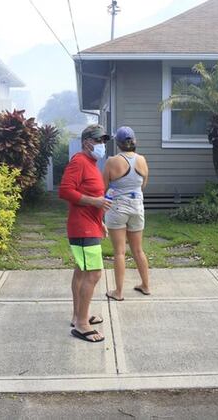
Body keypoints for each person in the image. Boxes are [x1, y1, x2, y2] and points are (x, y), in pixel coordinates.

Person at [58, 124, 112, 343]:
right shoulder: (79, 161)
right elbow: (65, 191)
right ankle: (81, 324)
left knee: (82, 270)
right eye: (98, 141)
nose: (102, 145)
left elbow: (91, 194)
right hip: (82, 227)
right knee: (94, 273)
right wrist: (95, 201)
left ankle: (78, 315)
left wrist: (101, 222)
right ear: (87, 143)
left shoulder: (92, 163)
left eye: (103, 141)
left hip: (91, 225)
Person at [103, 126, 151, 301]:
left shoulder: (112, 161)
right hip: (137, 206)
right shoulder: (142, 160)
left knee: (119, 252)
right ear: (134, 141)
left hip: (117, 208)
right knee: (138, 250)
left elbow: (104, 186)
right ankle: (145, 286)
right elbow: (143, 184)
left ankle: (119, 292)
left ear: (118, 144)